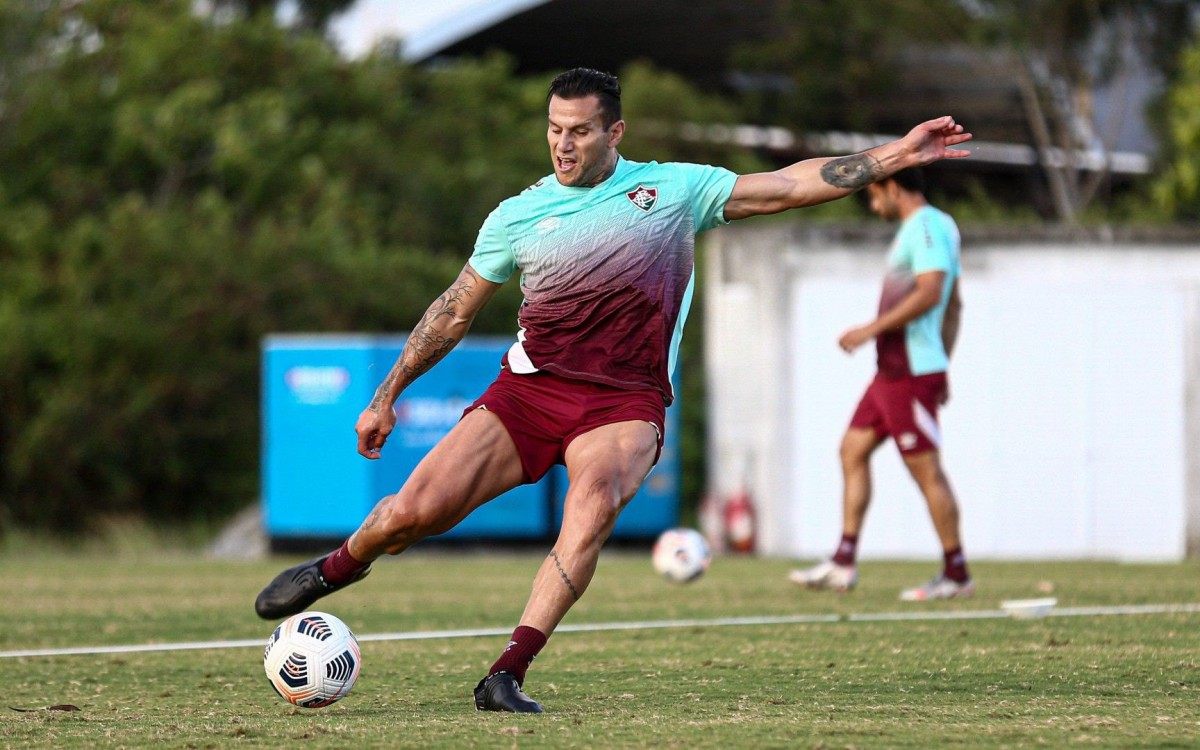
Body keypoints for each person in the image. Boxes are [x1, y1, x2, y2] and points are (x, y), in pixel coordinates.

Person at [254, 68, 972, 713]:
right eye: (554, 130)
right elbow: (452, 311)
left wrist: (892, 155)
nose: (563, 146)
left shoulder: (673, 191)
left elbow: (785, 186)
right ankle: (337, 566)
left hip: (625, 402)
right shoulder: (517, 215)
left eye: (579, 132)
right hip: (529, 394)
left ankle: (507, 672)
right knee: (409, 514)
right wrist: (386, 395)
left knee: (591, 506)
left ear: (614, 132)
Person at [789, 167, 971, 602]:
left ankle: (957, 573)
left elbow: (933, 292)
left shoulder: (925, 225)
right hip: (893, 371)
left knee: (926, 471)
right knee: (852, 449)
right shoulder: (937, 226)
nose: (874, 205)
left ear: (892, 187)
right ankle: (843, 562)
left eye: (874, 194)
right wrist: (944, 359)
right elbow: (955, 305)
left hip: (909, 371)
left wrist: (870, 329)